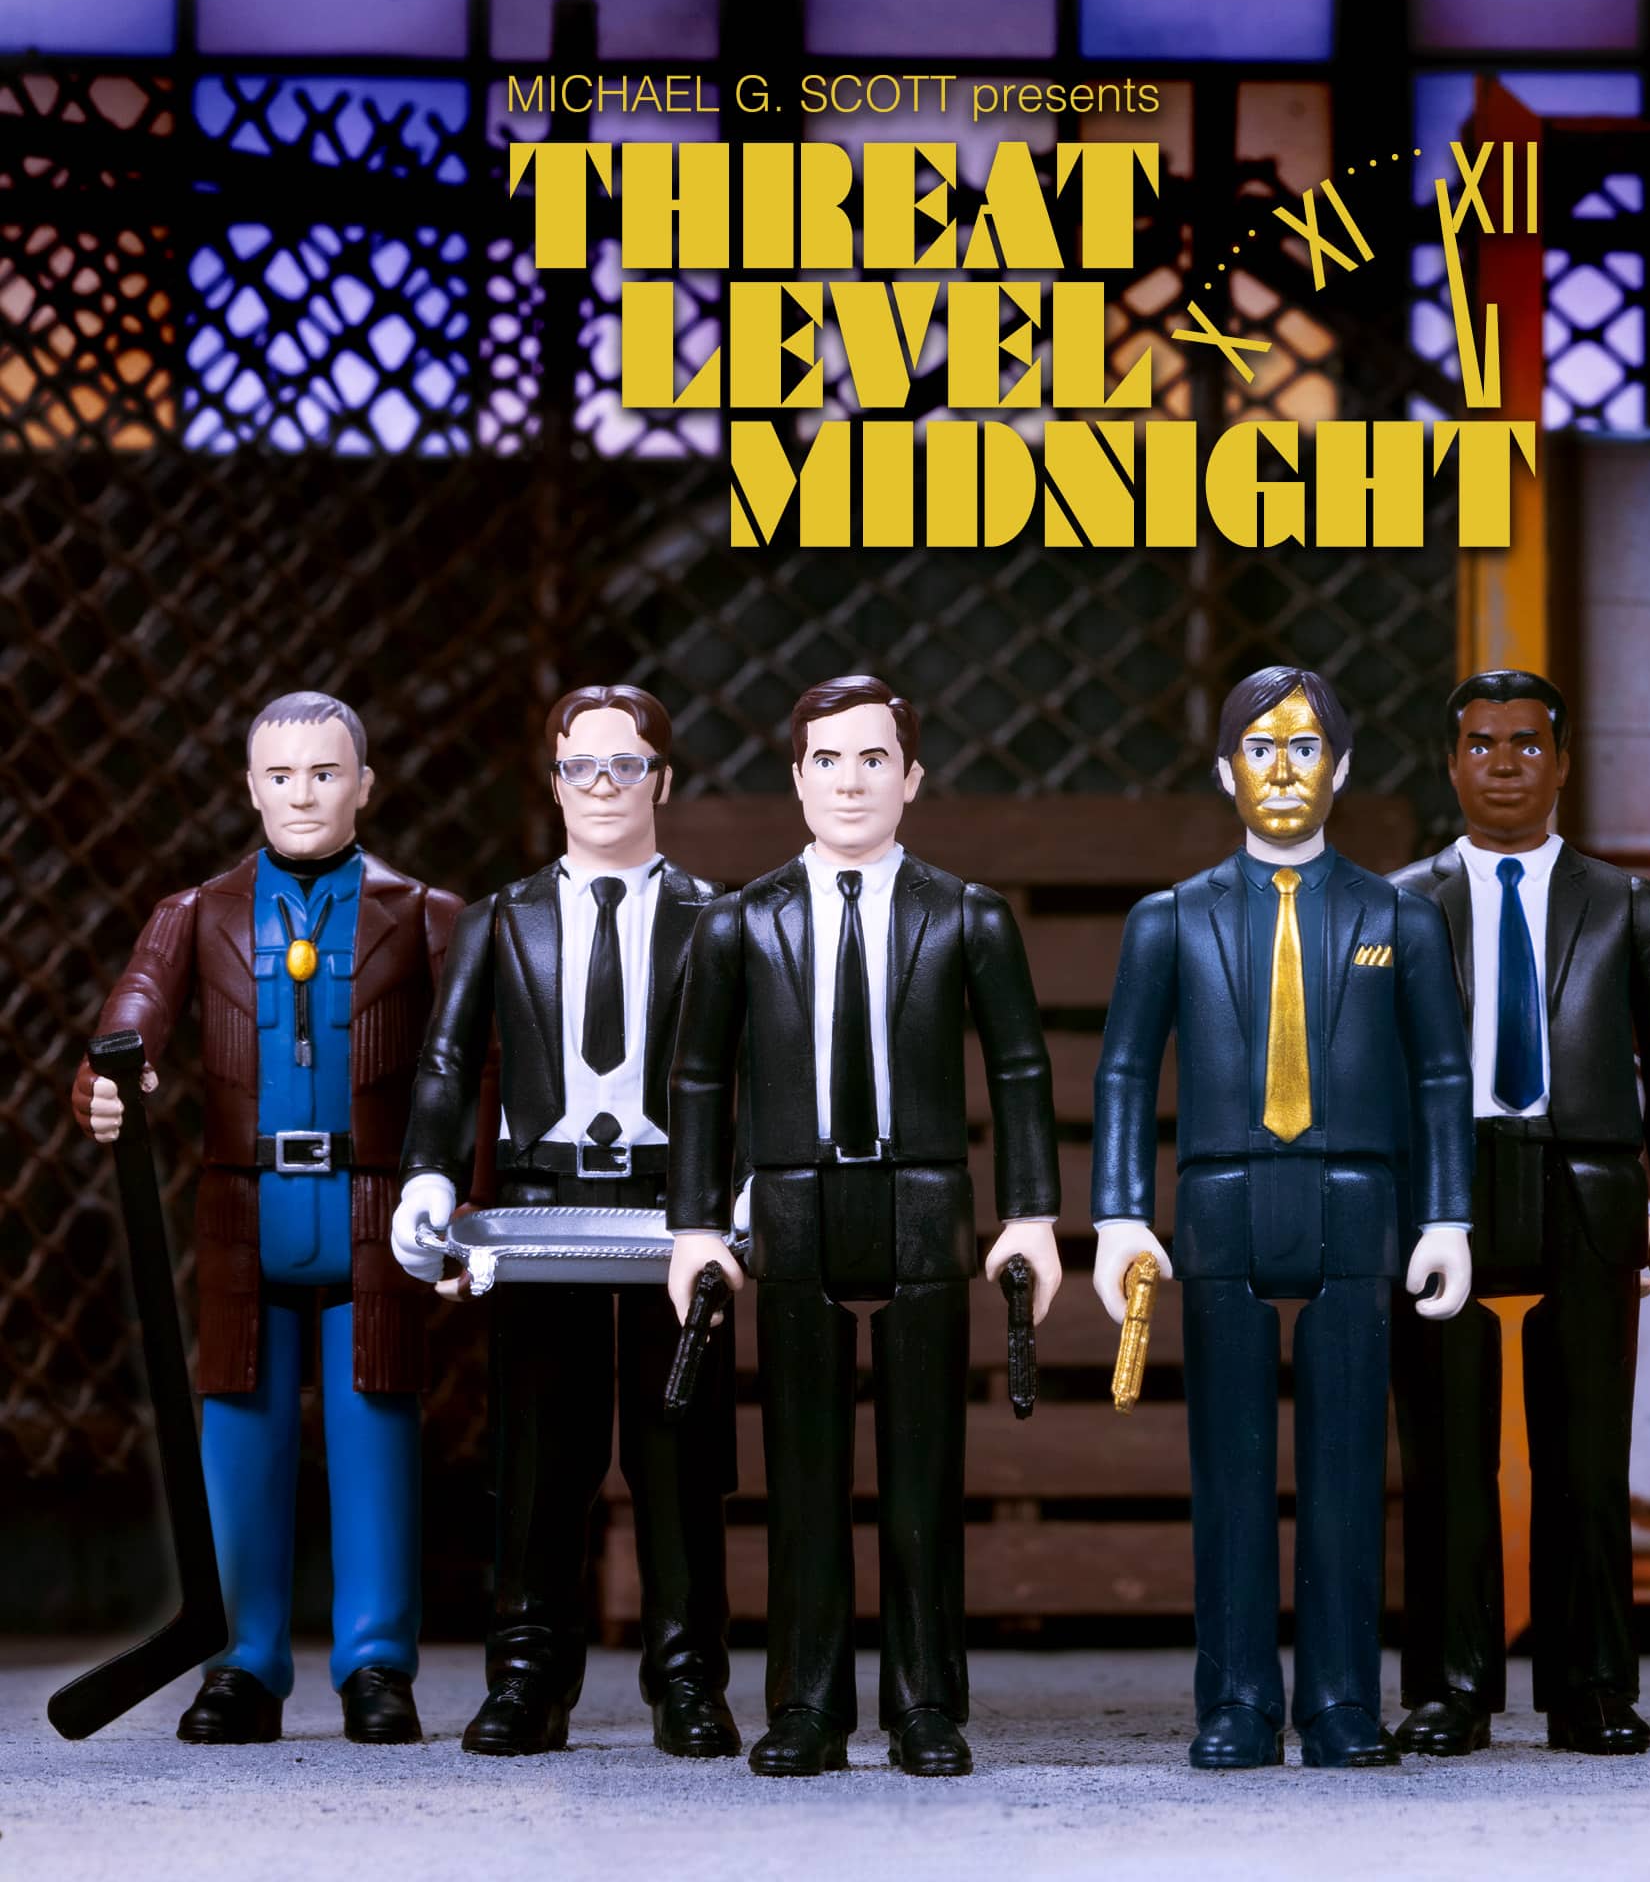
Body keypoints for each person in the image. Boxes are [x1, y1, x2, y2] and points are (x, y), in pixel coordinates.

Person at [666, 675, 1060, 1779]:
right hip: (791, 1204)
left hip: (924, 1199)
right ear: (797, 777)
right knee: (802, 1474)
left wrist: (1030, 1213)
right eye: (828, 760)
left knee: (926, 1470)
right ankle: (806, 1702)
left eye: (874, 758)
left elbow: (1020, 1070)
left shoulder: (967, 914)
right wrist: (696, 1224)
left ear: (912, 777)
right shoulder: (741, 920)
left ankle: (926, 1700)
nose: (850, 781)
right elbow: (698, 1080)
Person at [1091, 665, 1474, 1769]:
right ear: (1225, 771)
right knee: (1230, 1468)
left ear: (1339, 767)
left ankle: (1342, 1697)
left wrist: (1446, 1215)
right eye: (1259, 748)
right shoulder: (1169, 919)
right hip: (1221, 1200)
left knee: (1349, 1467)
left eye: (1305, 747)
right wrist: (1118, 1214)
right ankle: (1237, 1698)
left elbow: (1440, 1077)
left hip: (1358, 1201)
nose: (1283, 770)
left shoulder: (1397, 917)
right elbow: (1124, 1074)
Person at [72, 691, 461, 1744]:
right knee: (239, 1436)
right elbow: (136, 1005)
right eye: (281, 775)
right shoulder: (199, 911)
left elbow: (477, 1063)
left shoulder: (424, 912)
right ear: (250, 787)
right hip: (242, 1214)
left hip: (375, 1211)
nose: (302, 794)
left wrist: (468, 1199)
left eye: (325, 773)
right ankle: (240, 1663)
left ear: (364, 784)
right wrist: (109, 1076)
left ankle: (376, 1663)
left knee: (375, 1434)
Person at [393, 683, 737, 1758]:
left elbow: (755, 1062)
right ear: (553, 781)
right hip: (540, 1203)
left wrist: (744, 1191)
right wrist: (428, 1175)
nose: (602, 784)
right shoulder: (500, 917)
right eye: (581, 765)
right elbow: (448, 1058)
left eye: (625, 764)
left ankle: (688, 1678)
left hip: (678, 1205)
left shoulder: (716, 917)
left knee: (681, 1451)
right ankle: (527, 1675)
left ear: (660, 781)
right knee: (540, 1453)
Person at [1388, 669, 1650, 1758]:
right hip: (1443, 1184)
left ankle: (1590, 1682)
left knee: (1585, 1445)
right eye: (1481, 743)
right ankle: (1450, 1683)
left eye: (1526, 742)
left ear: (1563, 762)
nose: (1503, 762)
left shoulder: (1630, 907)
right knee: (1445, 1447)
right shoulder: (1396, 905)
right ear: (1450, 764)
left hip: (1587, 1176)